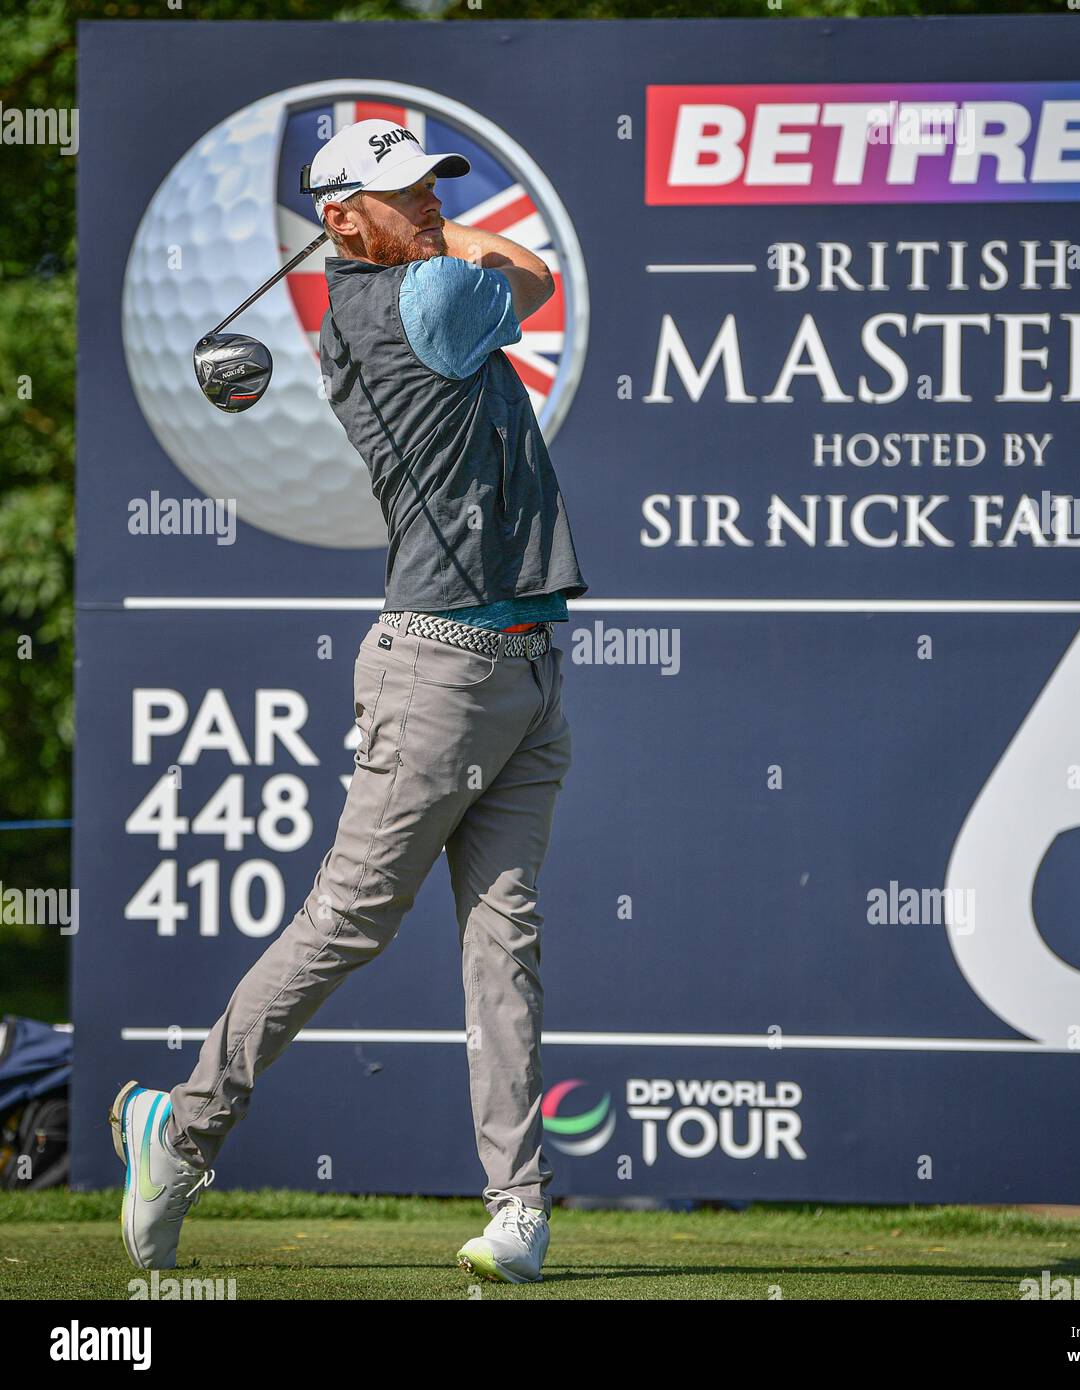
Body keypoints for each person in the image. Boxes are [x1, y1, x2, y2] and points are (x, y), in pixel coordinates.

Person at [112, 118, 588, 1286]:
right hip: (440, 672)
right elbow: (534, 269)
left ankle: (517, 1206)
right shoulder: (420, 304)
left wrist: (413, 226)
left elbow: (504, 269)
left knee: (503, 947)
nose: (427, 204)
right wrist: (446, 241)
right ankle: (180, 1128)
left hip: (526, 668)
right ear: (340, 218)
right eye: (402, 193)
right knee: (349, 921)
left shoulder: (408, 280)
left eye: (431, 185)